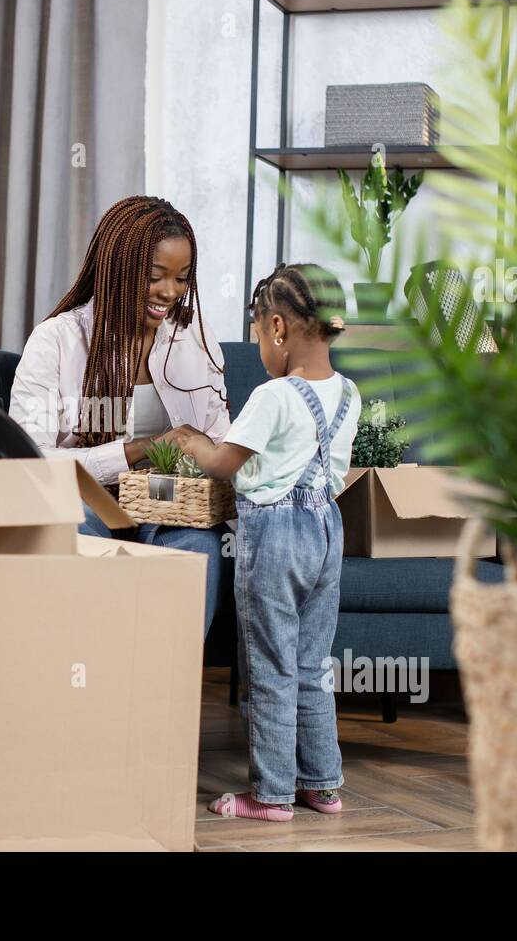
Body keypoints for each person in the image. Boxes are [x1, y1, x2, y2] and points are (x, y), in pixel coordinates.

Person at [173, 263, 360, 820]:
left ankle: (272, 793)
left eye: (259, 335)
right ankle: (323, 785)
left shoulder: (274, 395)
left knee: (271, 665)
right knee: (311, 663)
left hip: (276, 533)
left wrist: (191, 440)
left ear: (278, 328)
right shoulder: (349, 394)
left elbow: (227, 463)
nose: (261, 348)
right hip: (327, 529)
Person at [9, 195, 231, 633]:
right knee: (73, 537)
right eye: (155, 277)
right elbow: (27, 464)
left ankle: (163, 689)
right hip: (84, 503)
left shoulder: (194, 341)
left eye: (182, 279)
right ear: (118, 269)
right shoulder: (57, 340)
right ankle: (90, 684)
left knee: (197, 553)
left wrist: (210, 455)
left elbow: (219, 441)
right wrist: (135, 451)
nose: (170, 292)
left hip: (167, 504)